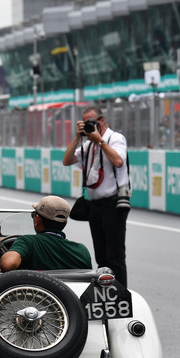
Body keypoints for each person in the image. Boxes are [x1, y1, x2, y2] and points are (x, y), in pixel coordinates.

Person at [62, 106, 131, 286]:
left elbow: (118, 161)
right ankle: (106, 294)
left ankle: (121, 296)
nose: (89, 125)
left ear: (102, 120)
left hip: (113, 204)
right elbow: (67, 160)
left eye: (91, 122)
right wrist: (78, 137)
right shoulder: (87, 145)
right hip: (94, 205)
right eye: (85, 123)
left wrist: (100, 141)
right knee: (101, 257)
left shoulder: (115, 138)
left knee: (114, 257)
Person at [0, 196, 92, 272]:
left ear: (37, 220)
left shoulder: (27, 242)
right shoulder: (82, 251)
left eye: (34, 215)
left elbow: (7, 264)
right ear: (65, 223)